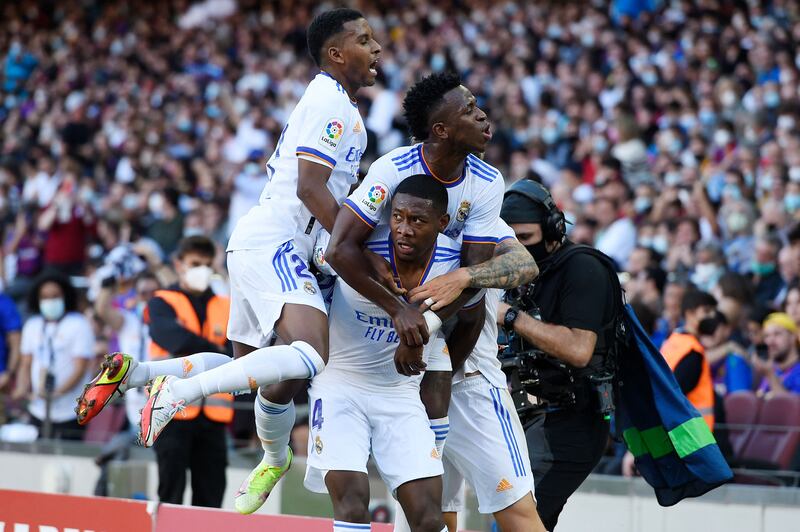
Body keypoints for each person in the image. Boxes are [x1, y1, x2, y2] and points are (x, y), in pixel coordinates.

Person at [135, 9, 382, 515]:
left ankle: (140, 375)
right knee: (312, 353)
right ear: (336, 54)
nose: (376, 48)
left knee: (259, 372)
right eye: (364, 39)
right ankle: (178, 393)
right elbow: (310, 187)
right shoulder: (333, 103)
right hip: (278, 241)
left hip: (257, 239)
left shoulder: (332, 102)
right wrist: (352, 245)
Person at [307, 176, 457, 532]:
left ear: (442, 223)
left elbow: (468, 309)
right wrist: (399, 311)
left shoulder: (453, 262)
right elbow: (321, 254)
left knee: (428, 518)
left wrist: (423, 334)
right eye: (398, 217)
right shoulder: (356, 244)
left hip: (400, 394)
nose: (403, 229)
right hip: (339, 385)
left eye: (417, 221)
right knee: (353, 504)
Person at [494, 179, 622, 531]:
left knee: (511, 521)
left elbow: (580, 351)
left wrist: (509, 315)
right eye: (510, 240)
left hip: (572, 422)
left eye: (526, 239)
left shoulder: (582, 268)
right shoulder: (519, 270)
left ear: (552, 231)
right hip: (529, 418)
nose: (518, 250)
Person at [13, 271, 94, 440]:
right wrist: (22, 387)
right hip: (38, 409)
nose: (50, 301)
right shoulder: (32, 325)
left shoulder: (78, 324)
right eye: (45, 297)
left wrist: (57, 393)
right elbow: (26, 363)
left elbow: (80, 368)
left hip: (71, 410)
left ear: (65, 296)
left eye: (55, 296)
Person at [660, 290, 717, 429]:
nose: (713, 317)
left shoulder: (672, 340)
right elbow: (675, 396)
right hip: (690, 437)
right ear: (690, 313)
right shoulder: (693, 352)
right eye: (707, 311)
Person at [753, 313, 800, 395]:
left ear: (793, 337)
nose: (770, 341)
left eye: (777, 334)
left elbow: (791, 406)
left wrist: (770, 375)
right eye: (766, 336)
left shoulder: (770, 371)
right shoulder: (772, 369)